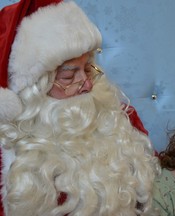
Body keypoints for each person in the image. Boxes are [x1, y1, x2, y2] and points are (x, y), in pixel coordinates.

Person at [0, 0, 160, 215]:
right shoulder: (7, 154)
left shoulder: (120, 118)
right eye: (68, 76)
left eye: (87, 68)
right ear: (33, 88)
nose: (87, 84)